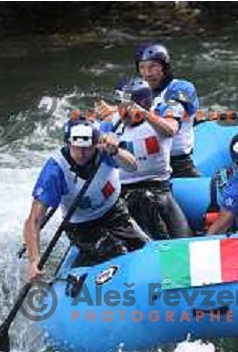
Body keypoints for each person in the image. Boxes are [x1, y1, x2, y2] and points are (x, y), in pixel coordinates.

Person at [24, 118, 149, 279]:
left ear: (96, 144)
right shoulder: (55, 170)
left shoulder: (105, 150)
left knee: (141, 246)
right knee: (118, 252)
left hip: (114, 211)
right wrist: (34, 261)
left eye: (87, 148)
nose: (82, 154)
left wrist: (116, 151)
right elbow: (33, 220)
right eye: (77, 148)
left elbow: (133, 167)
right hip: (82, 226)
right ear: (68, 143)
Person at [105, 77, 192, 239]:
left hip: (159, 189)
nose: (122, 111)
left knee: (182, 237)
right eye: (120, 105)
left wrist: (144, 113)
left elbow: (170, 130)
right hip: (122, 193)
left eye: (127, 106)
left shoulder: (162, 110)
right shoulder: (110, 122)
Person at [136, 43, 201, 177]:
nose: (147, 73)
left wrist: (143, 111)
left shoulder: (183, 88)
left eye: (152, 66)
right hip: (146, 163)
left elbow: (172, 113)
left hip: (179, 165)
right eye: (142, 67)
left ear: (165, 67)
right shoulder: (137, 92)